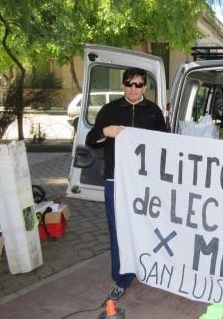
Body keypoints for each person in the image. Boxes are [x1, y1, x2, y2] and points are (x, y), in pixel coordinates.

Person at [86, 67, 167, 301]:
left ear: (145, 87)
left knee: (146, 225)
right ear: (123, 85)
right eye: (129, 84)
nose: (134, 89)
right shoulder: (110, 110)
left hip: (144, 182)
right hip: (115, 180)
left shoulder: (153, 111)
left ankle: (148, 269)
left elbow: (164, 143)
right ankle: (121, 277)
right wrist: (105, 131)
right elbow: (92, 140)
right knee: (118, 228)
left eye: (139, 84)